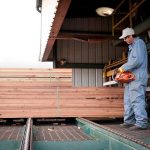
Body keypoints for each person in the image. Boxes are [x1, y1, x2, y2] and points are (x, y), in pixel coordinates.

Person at [118, 27, 148, 130]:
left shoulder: (138, 43)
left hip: (138, 78)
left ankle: (141, 123)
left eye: (125, 38)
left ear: (131, 36)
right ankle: (129, 121)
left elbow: (137, 61)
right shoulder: (131, 47)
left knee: (137, 99)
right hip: (131, 78)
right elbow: (132, 63)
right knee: (128, 100)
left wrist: (122, 68)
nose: (124, 40)